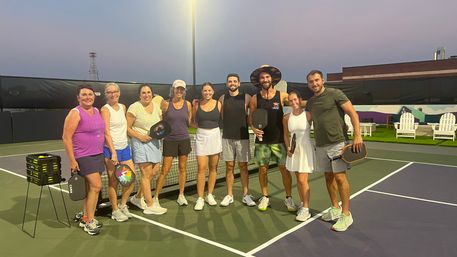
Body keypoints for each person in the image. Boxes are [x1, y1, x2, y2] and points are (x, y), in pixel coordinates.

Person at [305, 70, 363, 232]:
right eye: (311, 82)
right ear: (309, 84)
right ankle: (335, 208)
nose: (314, 84)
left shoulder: (335, 94)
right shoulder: (310, 102)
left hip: (338, 143)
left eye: (316, 80)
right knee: (328, 177)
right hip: (321, 145)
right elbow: (306, 121)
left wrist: (357, 136)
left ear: (322, 80)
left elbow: (352, 113)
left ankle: (346, 214)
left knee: (340, 177)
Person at [248, 65, 297, 212]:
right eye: (262, 77)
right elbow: (250, 118)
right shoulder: (254, 98)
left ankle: (289, 198)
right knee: (263, 170)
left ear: (272, 79)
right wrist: (253, 128)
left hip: (279, 141)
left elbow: (296, 105)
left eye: (267, 77)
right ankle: (265, 196)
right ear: (259, 80)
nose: (265, 79)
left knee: (284, 169)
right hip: (262, 142)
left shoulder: (282, 96)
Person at [62, 85, 105, 235]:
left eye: (90, 94)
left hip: (98, 154)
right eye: (84, 95)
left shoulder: (97, 111)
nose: (88, 97)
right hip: (83, 156)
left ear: (94, 96)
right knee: (96, 186)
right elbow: (66, 138)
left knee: (89, 189)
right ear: (78, 97)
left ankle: (85, 216)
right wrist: (72, 160)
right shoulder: (75, 113)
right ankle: (89, 222)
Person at [126, 84, 167, 215]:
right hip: (140, 142)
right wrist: (140, 136)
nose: (146, 95)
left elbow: (159, 125)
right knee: (146, 172)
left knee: (154, 172)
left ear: (152, 94)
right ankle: (150, 205)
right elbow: (127, 128)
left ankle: (137, 198)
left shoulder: (156, 107)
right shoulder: (134, 107)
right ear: (139, 95)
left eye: (148, 92)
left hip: (154, 142)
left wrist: (160, 134)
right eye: (143, 92)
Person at [218, 73, 256, 207]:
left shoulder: (247, 97)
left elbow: (252, 116)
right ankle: (229, 195)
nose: (232, 83)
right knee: (229, 167)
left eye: (235, 81)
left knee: (243, 167)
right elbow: (222, 116)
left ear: (239, 83)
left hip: (243, 138)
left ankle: (246, 195)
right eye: (230, 81)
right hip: (227, 137)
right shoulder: (222, 98)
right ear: (227, 84)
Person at [154, 79, 192, 209]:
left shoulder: (188, 104)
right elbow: (160, 121)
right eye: (177, 88)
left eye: (182, 89)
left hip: (184, 139)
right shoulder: (165, 104)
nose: (179, 91)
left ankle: (181, 195)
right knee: (165, 170)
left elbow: (189, 121)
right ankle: (156, 198)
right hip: (169, 141)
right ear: (173, 89)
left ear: (184, 91)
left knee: (183, 168)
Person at [100, 83, 135, 222]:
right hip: (110, 150)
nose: (113, 94)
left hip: (125, 148)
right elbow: (106, 131)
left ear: (119, 93)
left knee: (130, 178)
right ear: (106, 94)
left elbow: (125, 127)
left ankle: (122, 205)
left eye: (115, 91)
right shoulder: (105, 109)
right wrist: (113, 152)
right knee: (113, 181)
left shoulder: (123, 107)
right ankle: (114, 210)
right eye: (109, 92)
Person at [283, 91, 314, 222]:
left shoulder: (308, 115)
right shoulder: (286, 117)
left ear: (300, 100)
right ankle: (302, 203)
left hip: (305, 149)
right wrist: (288, 148)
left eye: (295, 99)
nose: (293, 103)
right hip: (293, 151)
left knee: (302, 180)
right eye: (290, 101)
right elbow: (286, 135)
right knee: (298, 179)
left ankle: (306, 209)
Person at [191, 82, 222, 211]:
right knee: (201, 168)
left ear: (213, 92)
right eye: (205, 90)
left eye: (209, 90)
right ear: (202, 92)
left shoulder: (219, 104)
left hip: (215, 136)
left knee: (213, 167)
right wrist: (202, 129)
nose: (207, 92)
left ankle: (209, 194)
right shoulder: (196, 105)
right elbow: (192, 122)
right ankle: (200, 198)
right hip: (201, 137)